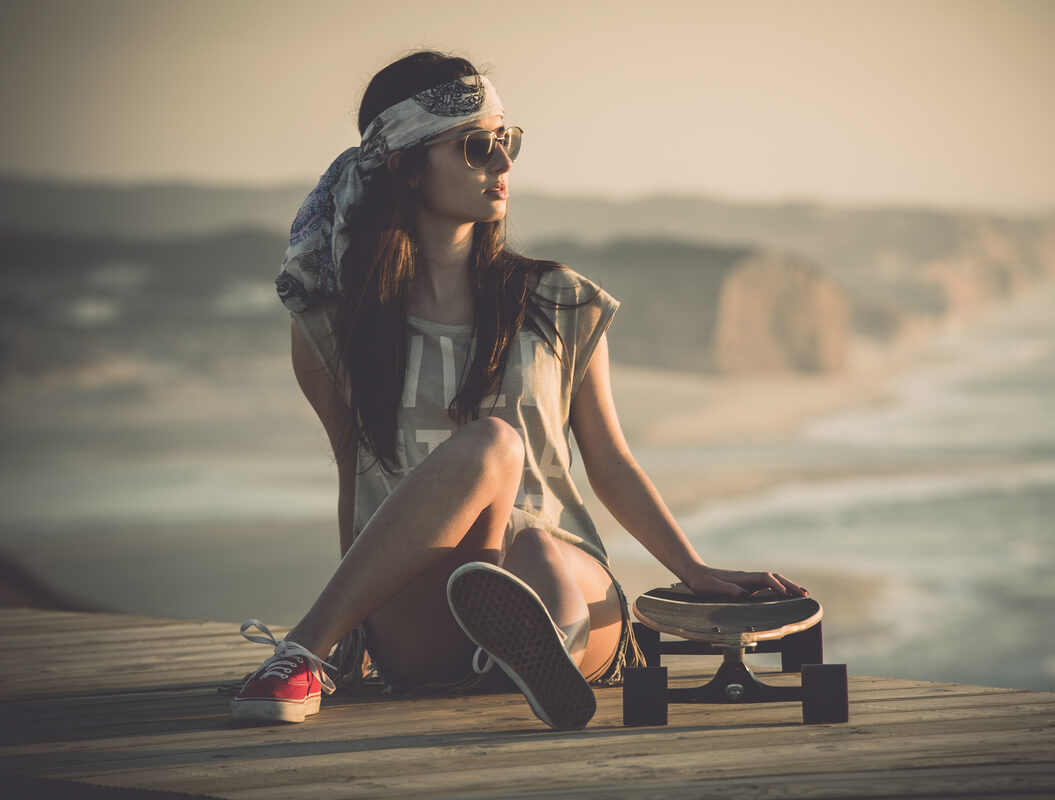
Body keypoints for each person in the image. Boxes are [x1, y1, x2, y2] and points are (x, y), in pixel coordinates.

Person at [231, 51, 806, 731]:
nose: (501, 166)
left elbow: (611, 462)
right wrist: (355, 634)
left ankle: (537, 653)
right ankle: (314, 652)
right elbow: (356, 477)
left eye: (508, 143)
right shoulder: (338, 327)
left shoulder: (557, 301)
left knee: (535, 547)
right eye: (477, 147)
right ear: (408, 167)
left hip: (566, 579)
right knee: (492, 448)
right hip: (425, 615)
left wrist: (694, 567)